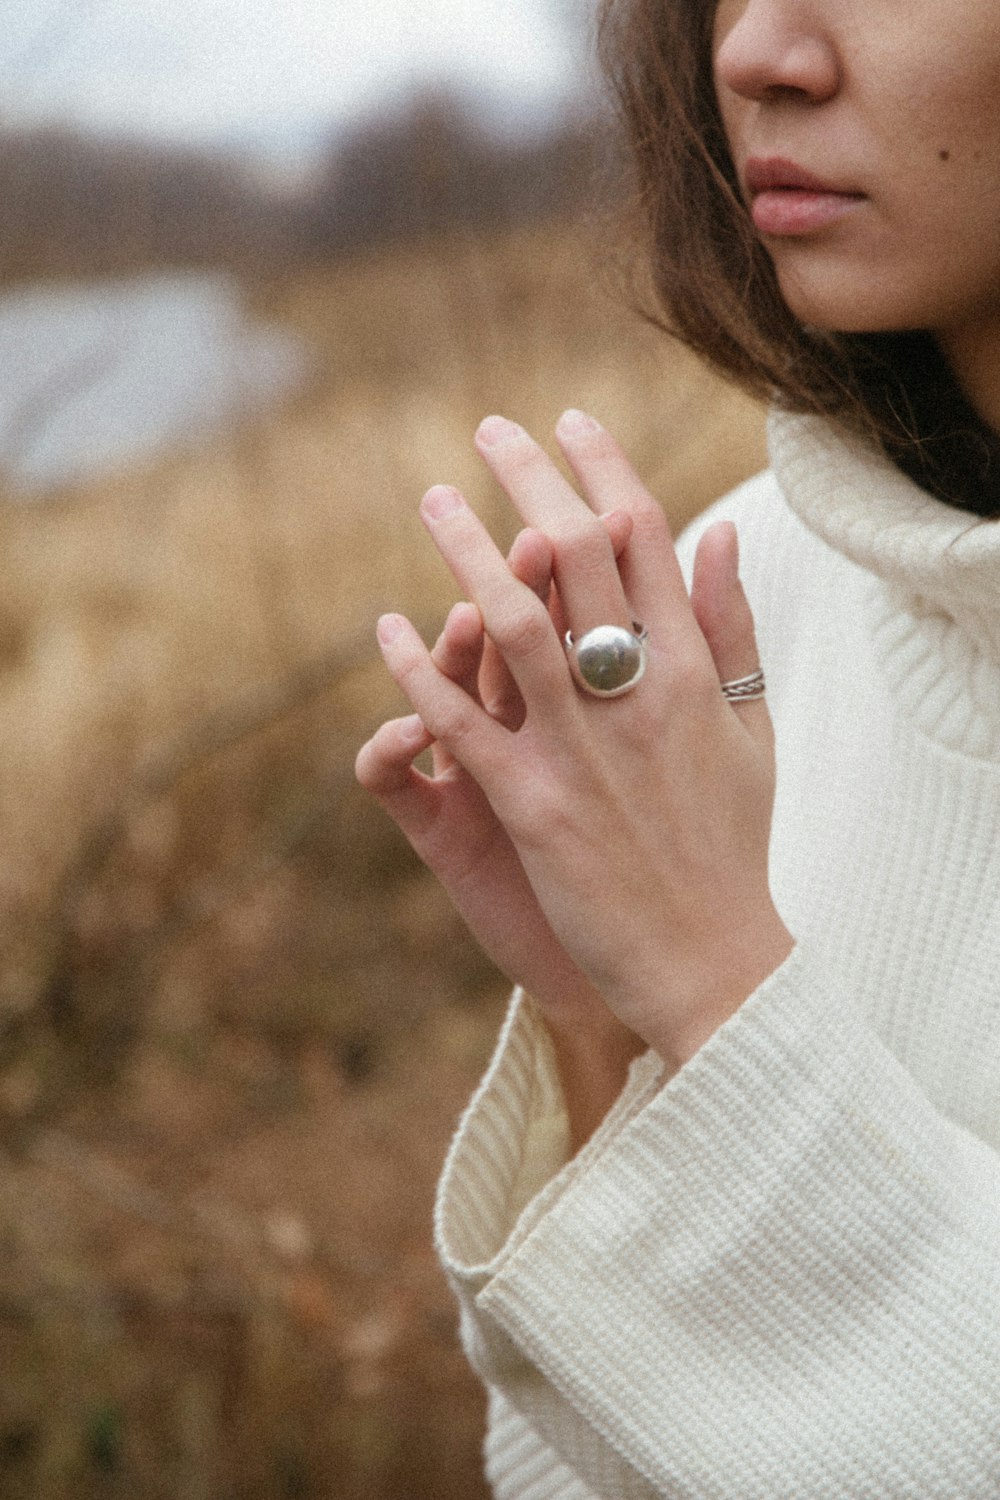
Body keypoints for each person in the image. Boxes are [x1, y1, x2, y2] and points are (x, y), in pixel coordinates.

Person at [355, 0, 1000, 1493]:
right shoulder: (738, 593)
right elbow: (583, 1467)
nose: (757, 50)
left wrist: (719, 990)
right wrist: (608, 1025)